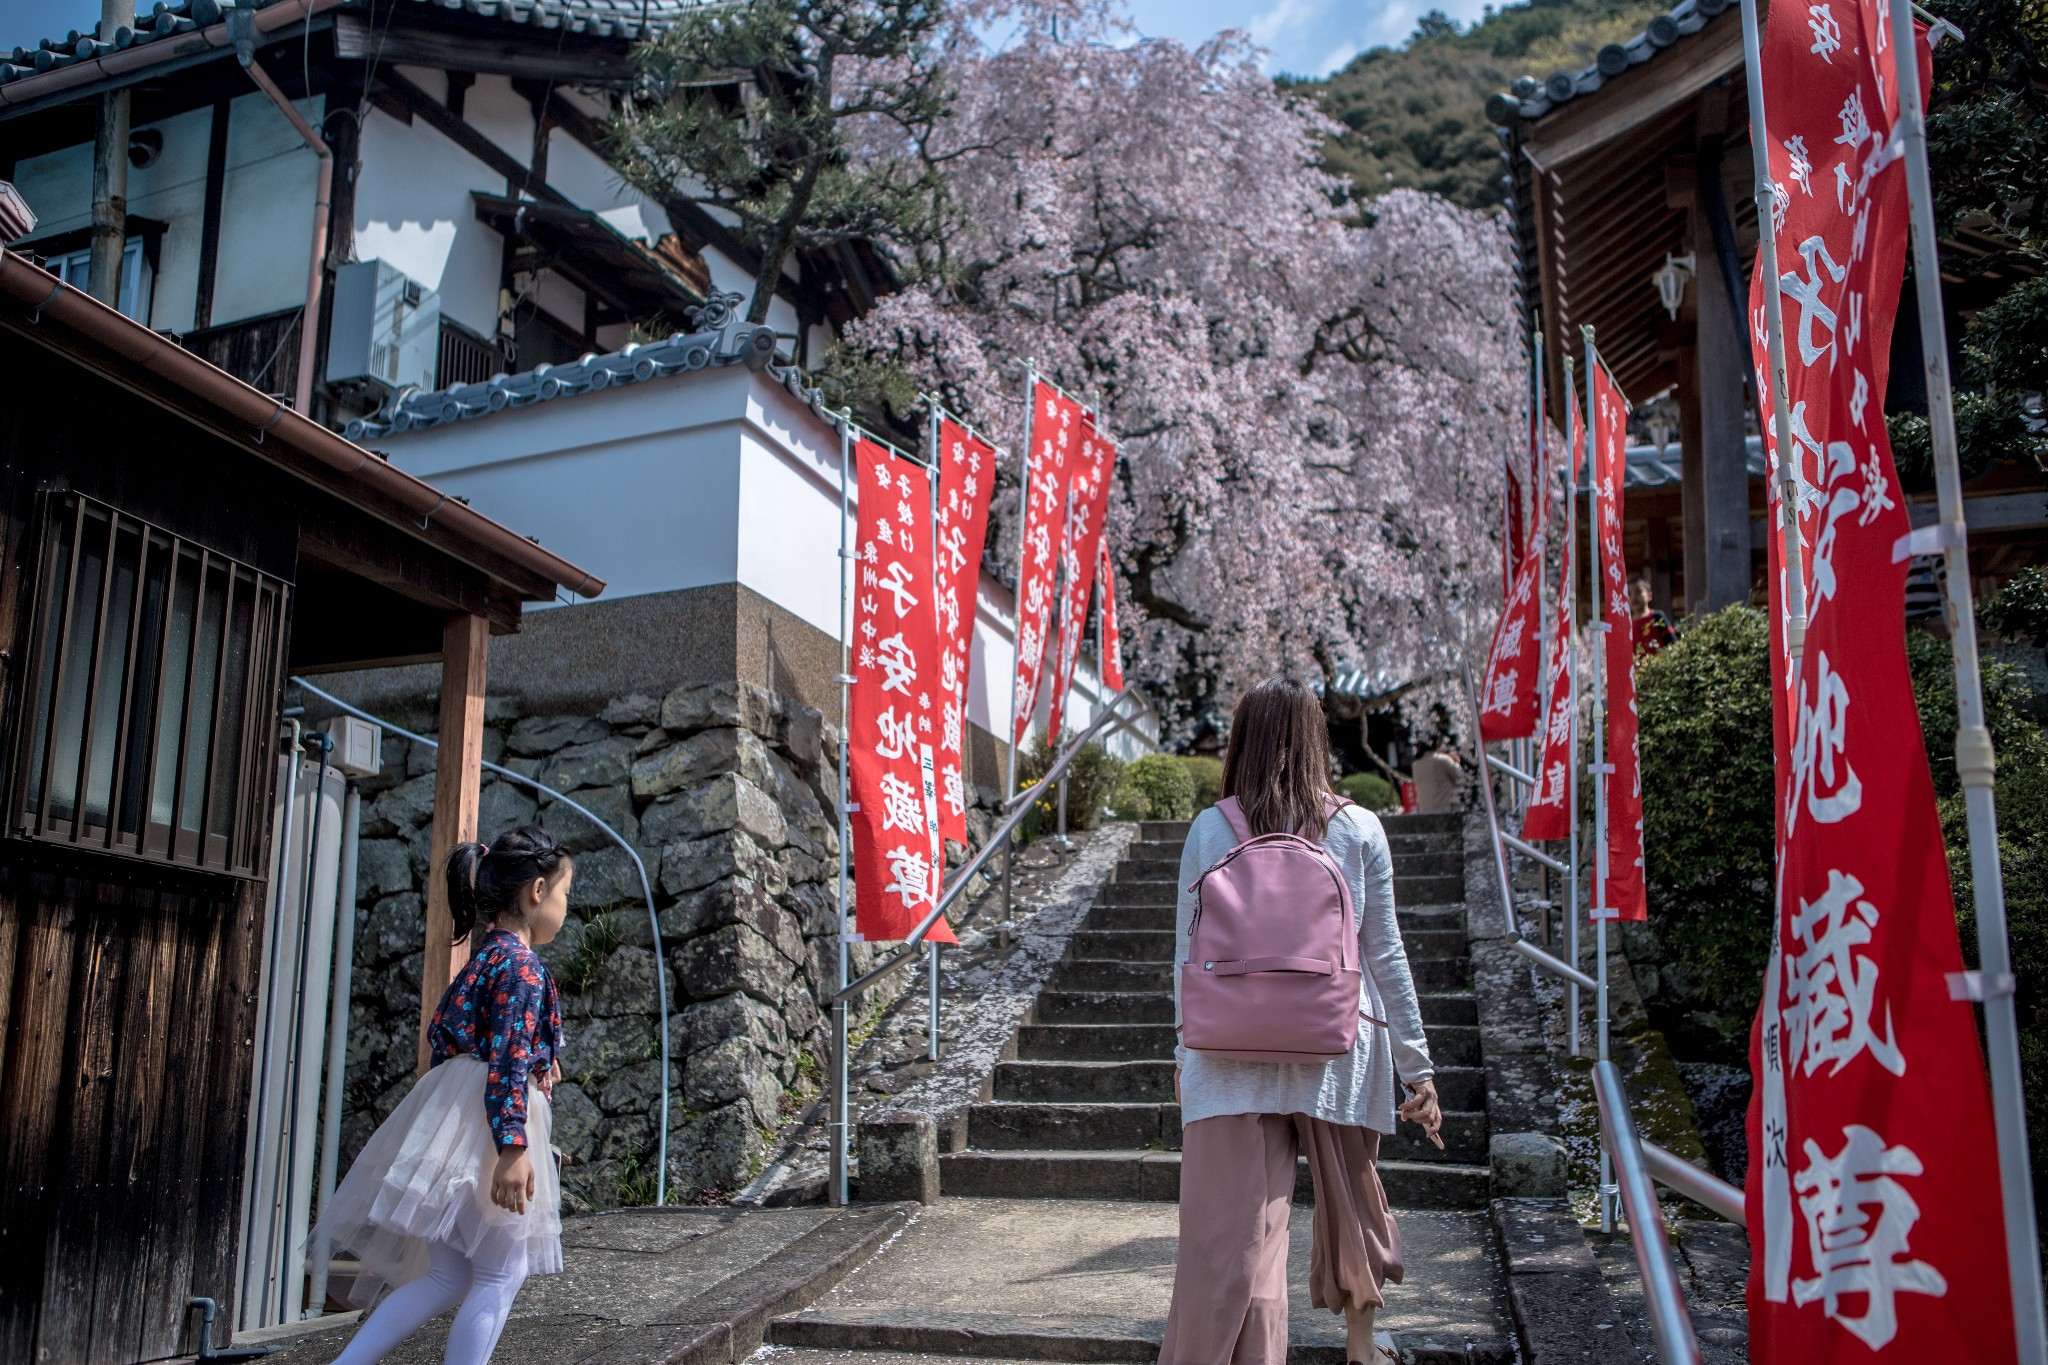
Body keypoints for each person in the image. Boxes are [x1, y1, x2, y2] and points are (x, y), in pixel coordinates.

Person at [1160, 679, 1440, 1365]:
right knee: (1352, 1195)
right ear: (1317, 739)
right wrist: (1418, 1066)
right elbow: (1386, 952)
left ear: (1240, 743)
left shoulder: (1210, 827)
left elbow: (1184, 953)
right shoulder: (1357, 826)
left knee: (1236, 1235)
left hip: (1229, 1048)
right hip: (1336, 1041)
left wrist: (1182, 1049)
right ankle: (1362, 1342)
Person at [315, 826, 574, 1365]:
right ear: (537, 890)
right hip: (493, 1121)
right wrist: (512, 1147)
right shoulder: (524, 968)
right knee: (503, 1271)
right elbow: (505, 1059)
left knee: (448, 1272)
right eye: (564, 894)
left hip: (454, 1114)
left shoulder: (482, 960)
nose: (565, 907)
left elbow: (448, 1040)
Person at [1408, 742, 1463, 815]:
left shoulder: (1416, 765)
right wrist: (1456, 762)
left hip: (1425, 813)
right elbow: (1460, 778)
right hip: (1445, 813)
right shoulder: (1443, 760)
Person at [1631, 578, 1677, 655]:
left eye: (1638, 592)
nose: (1634, 597)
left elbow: (1672, 643)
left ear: (1649, 595)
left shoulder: (1657, 617)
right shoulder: (1627, 626)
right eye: (1629, 593)